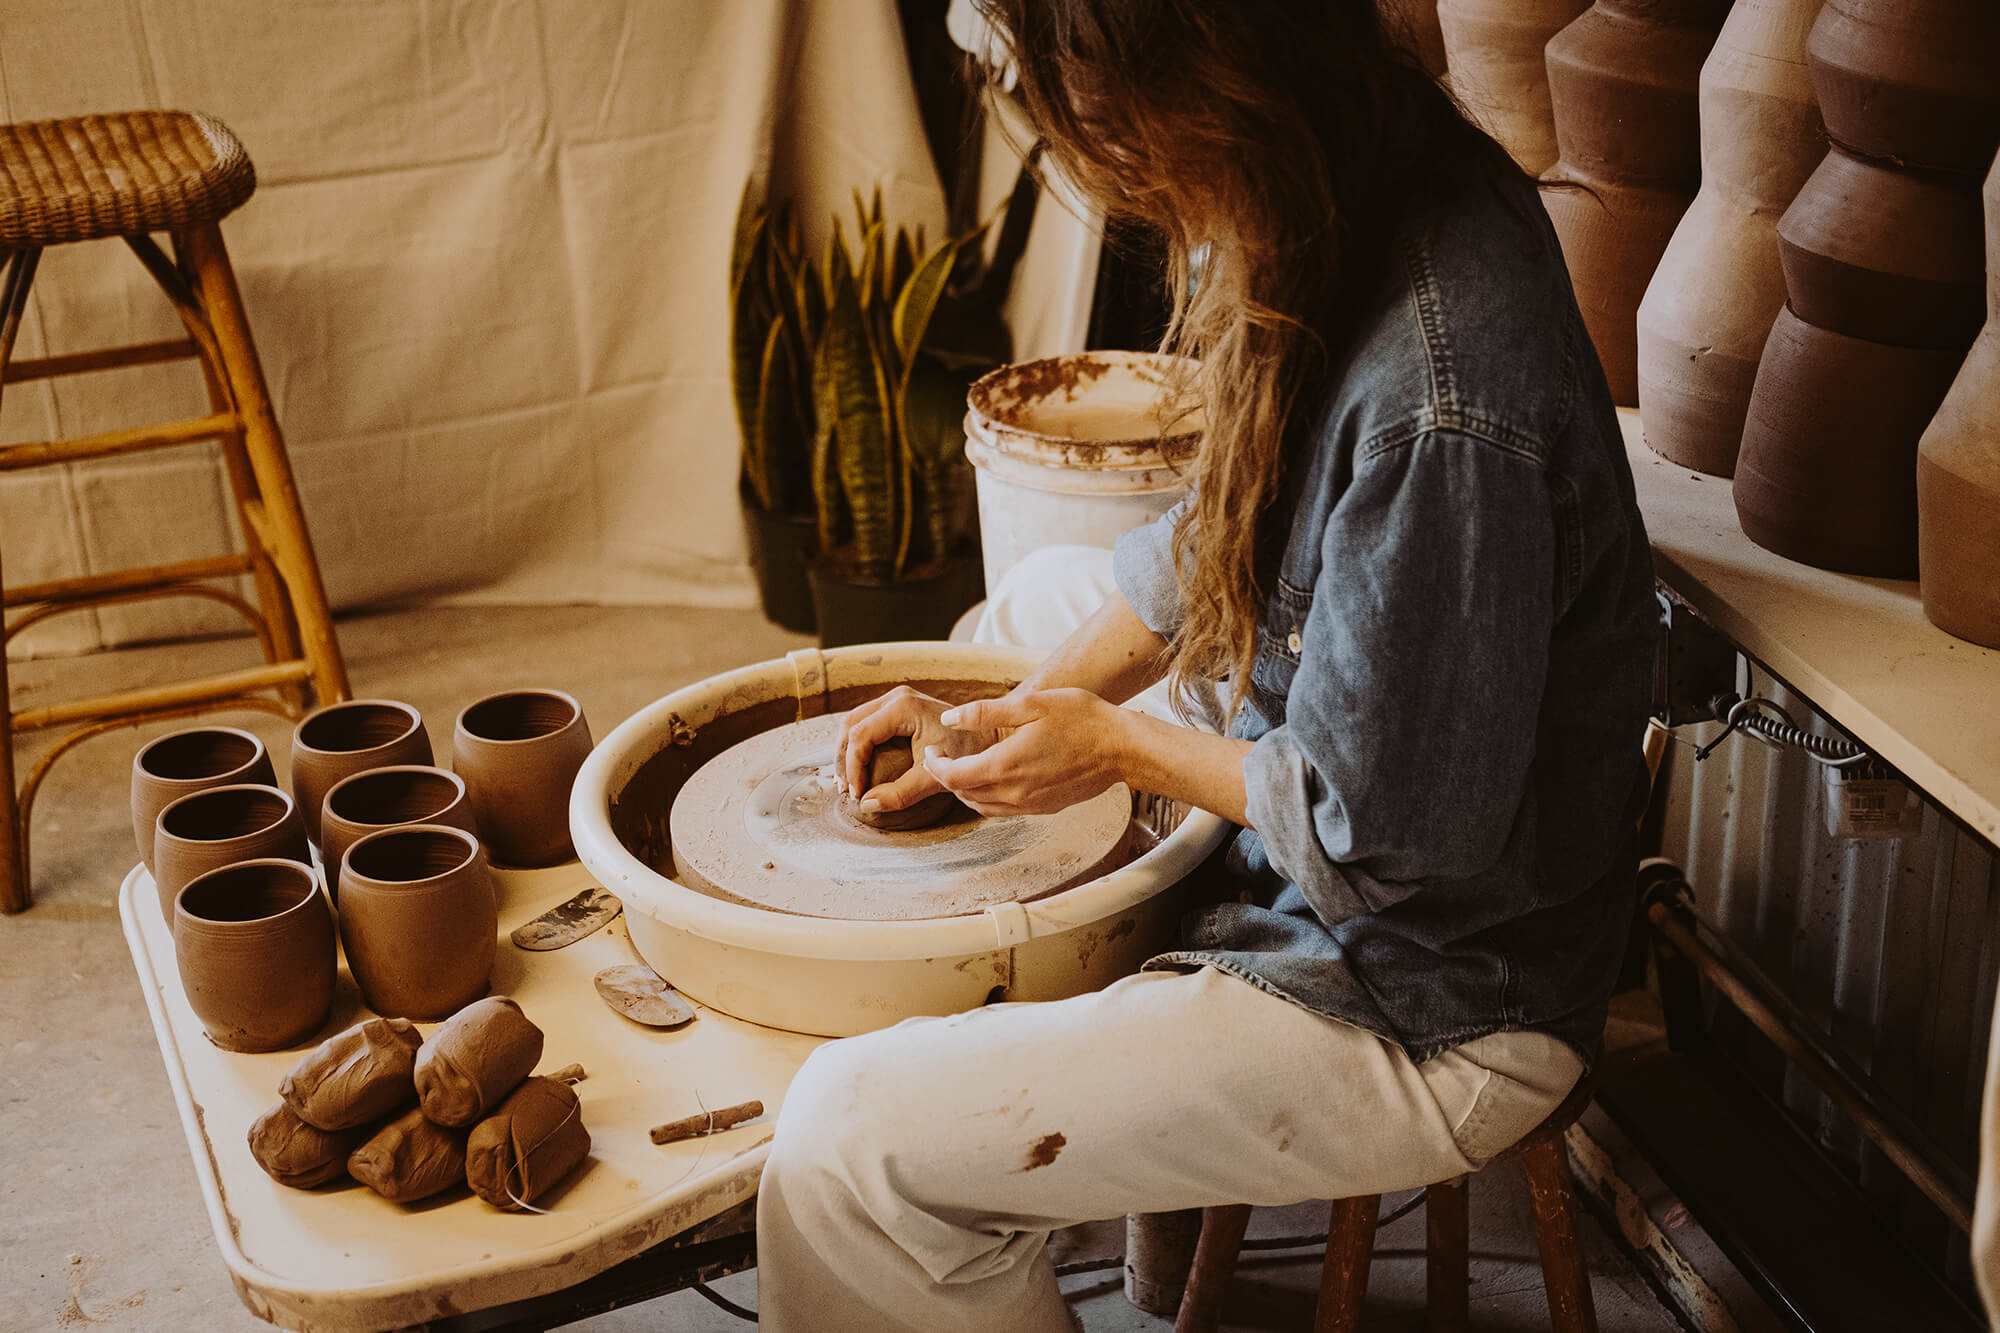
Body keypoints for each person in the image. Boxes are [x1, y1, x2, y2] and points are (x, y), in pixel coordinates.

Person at [753, 2, 1658, 1328]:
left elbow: (1381, 835)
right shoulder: (1365, 176)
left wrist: (1115, 747)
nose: (1136, 192)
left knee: (847, 1143)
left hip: (1436, 1002)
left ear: (1221, 90)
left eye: (1132, 146)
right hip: (1387, 877)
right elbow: (1224, 529)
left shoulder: (1441, 398)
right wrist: (1013, 706)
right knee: (1040, 601)